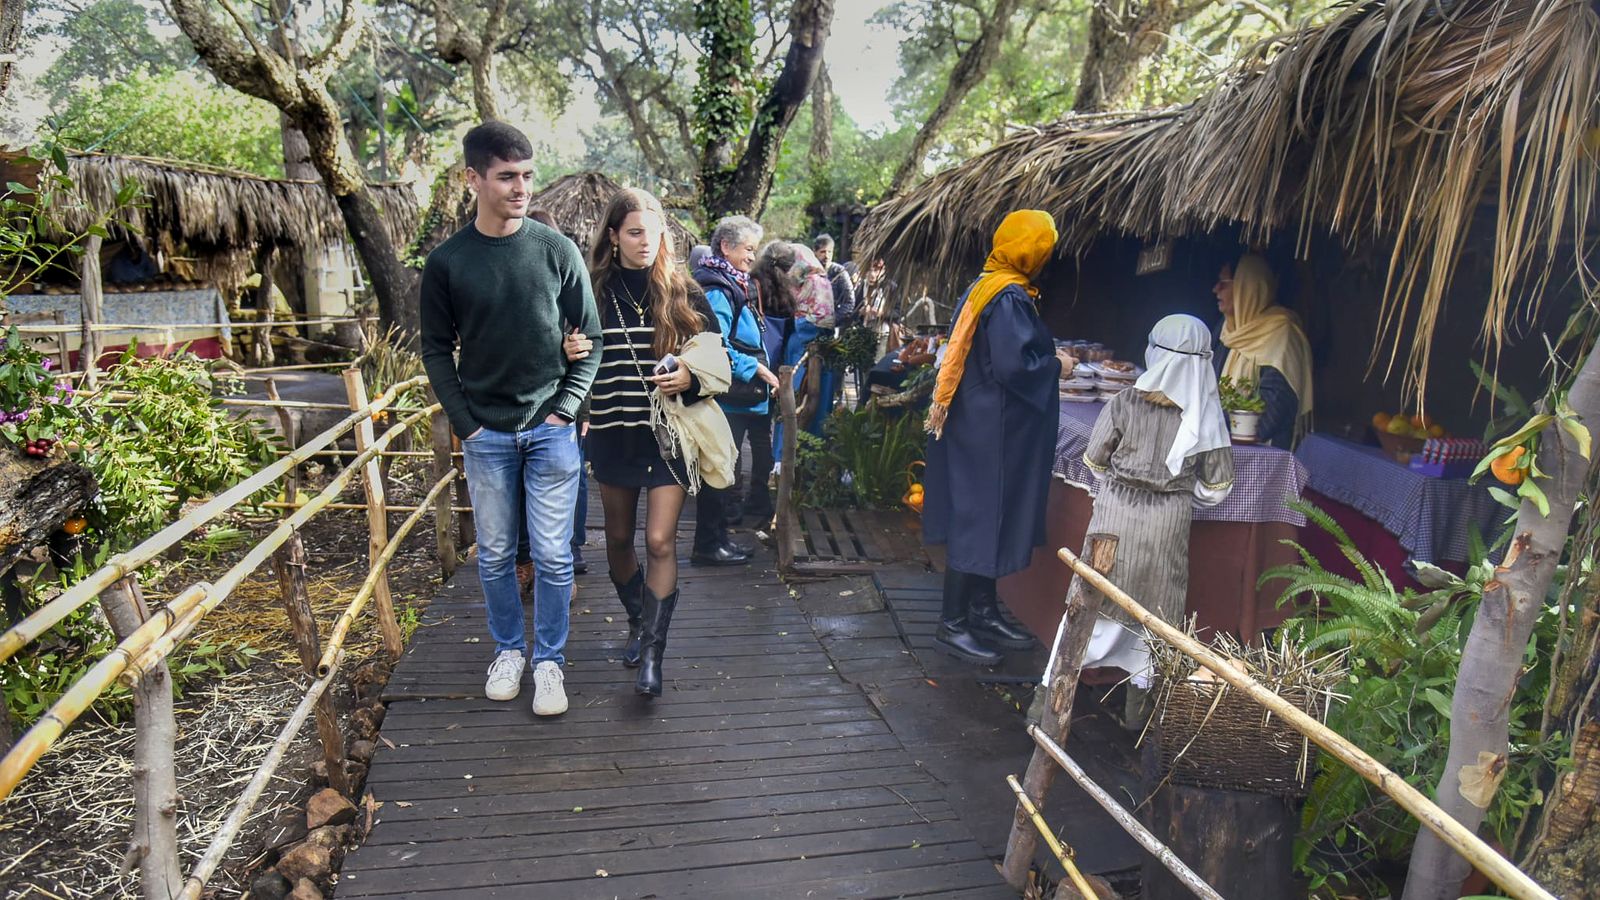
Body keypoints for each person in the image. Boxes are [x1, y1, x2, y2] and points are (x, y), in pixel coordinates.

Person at [420, 122, 601, 717]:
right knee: (496, 554)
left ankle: (550, 662)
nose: (521, 187)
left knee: (552, 556)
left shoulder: (557, 251)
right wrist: (466, 423)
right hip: (486, 433)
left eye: (527, 175)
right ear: (474, 179)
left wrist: (567, 409)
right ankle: (509, 650)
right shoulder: (448, 263)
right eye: (506, 177)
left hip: (550, 429)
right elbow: (434, 349)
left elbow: (590, 340)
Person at [585, 188, 725, 697]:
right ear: (614, 236)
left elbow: (717, 359)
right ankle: (638, 621)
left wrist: (689, 373)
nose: (645, 242)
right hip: (611, 433)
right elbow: (569, 356)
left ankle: (652, 655)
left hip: (669, 438)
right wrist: (569, 346)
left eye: (653, 231)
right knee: (618, 541)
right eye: (634, 232)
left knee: (660, 540)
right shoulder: (591, 291)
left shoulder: (684, 291)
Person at [921, 210, 1071, 666]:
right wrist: (1055, 367)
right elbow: (1015, 367)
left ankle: (982, 610)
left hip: (982, 424)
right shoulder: (1008, 297)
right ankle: (953, 624)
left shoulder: (990, 284)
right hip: (992, 431)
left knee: (987, 516)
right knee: (979, 518)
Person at [1070, 314, 1235, 723]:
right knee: (1155, 623)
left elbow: (1094, 461)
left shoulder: (1124, 402)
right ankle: (1138, 718)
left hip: (1114, 521)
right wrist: (1178, 492)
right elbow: (1217, 488)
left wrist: (1124, 483)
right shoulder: (1208, 418)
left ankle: (1048, 702)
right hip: (1168, 528)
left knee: (1089, 612)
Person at [690, 216, 779, 565]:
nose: (751, 256)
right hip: (725, 393)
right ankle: (709, 544)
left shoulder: (729, 282)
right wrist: (753, 367)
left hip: (732, 391)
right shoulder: (716, 288)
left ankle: (717, 540)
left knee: (723, 465)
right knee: (717, 467)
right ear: (726, 247)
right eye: (748, 249)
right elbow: (716, 343)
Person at [516, 208, 590, 595]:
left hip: (564, 404)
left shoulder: (569, 282)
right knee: (523, 486)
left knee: (568, 482)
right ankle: (527, 559)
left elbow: (590, 345)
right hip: (519, 407)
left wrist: (580, 409)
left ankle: (567, 553)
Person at [1213, 253, 1314, 448]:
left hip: (1262, 456)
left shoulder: (1282, 334)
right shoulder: (1227, 330)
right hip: (1220, 442)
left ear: (1247, 287)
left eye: (1223, 283)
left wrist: (1211, 417)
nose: (1216, 289)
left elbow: (1270, 416)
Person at [813, 234, 857, 327]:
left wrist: (833, 320)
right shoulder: (809, 271)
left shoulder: (840, 272)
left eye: (829, 252)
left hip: (830, 323)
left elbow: (849, 302)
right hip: (809, 322)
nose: (827, 256)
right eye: (823, 252)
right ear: (815, 252)